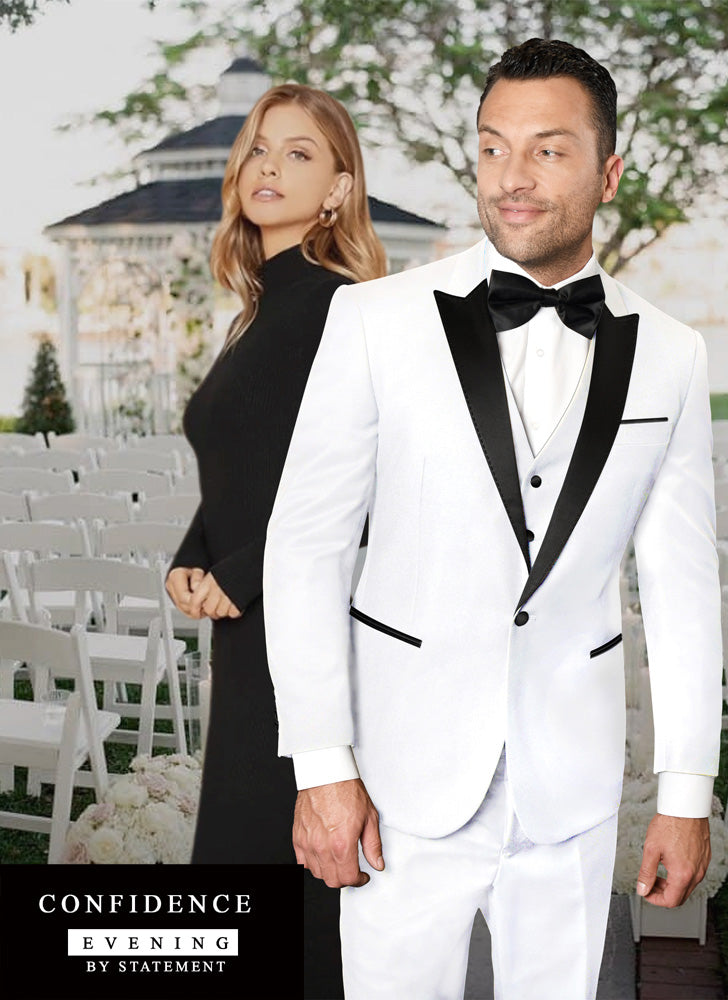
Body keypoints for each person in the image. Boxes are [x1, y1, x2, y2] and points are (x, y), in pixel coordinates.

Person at [263, 38, 722, 999]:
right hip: (397, 781)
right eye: (491, 148)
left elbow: (682, 592)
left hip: (571, 787)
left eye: (547, 151)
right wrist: (321, 765)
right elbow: (303, 549)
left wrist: (685, 796)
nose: (511, 179)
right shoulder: (374, 321)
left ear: (608, 173)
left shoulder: (672, 357)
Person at [165, 82, 385, 996]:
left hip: (296, 630)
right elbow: (248, 463)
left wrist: (242, 571)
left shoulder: (343, 307)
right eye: (260, 148)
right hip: (245, 634)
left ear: (338, 188)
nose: (270, 166)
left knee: (287, 879)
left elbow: (363, 481)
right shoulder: (257, 311)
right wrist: (191, 550)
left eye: (300, 153)